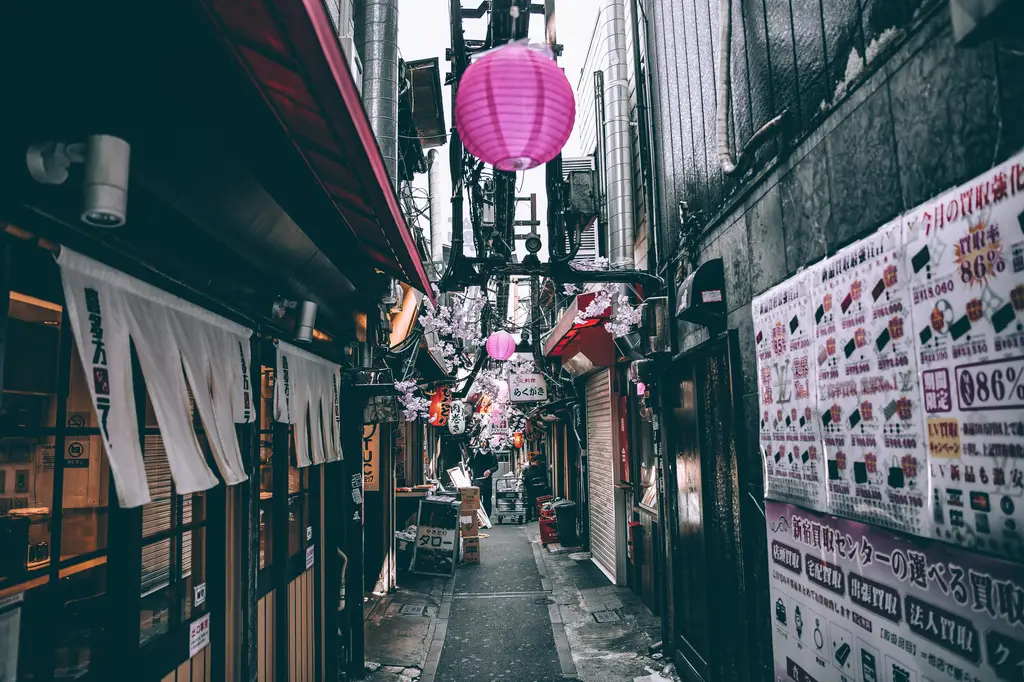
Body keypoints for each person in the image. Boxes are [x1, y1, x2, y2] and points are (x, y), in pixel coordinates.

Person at [468, 449, 499, 517]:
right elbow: (470, 464)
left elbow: (496, 466)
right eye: (482, 442)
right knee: (477, 499)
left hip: (487, 480)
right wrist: (472, 456)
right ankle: (479, 517)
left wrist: (489, 471)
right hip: (477, 479)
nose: (483, 444)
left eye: (485, 442)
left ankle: (486, 517)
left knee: (487, 499)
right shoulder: (475, 452)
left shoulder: (491, 453)